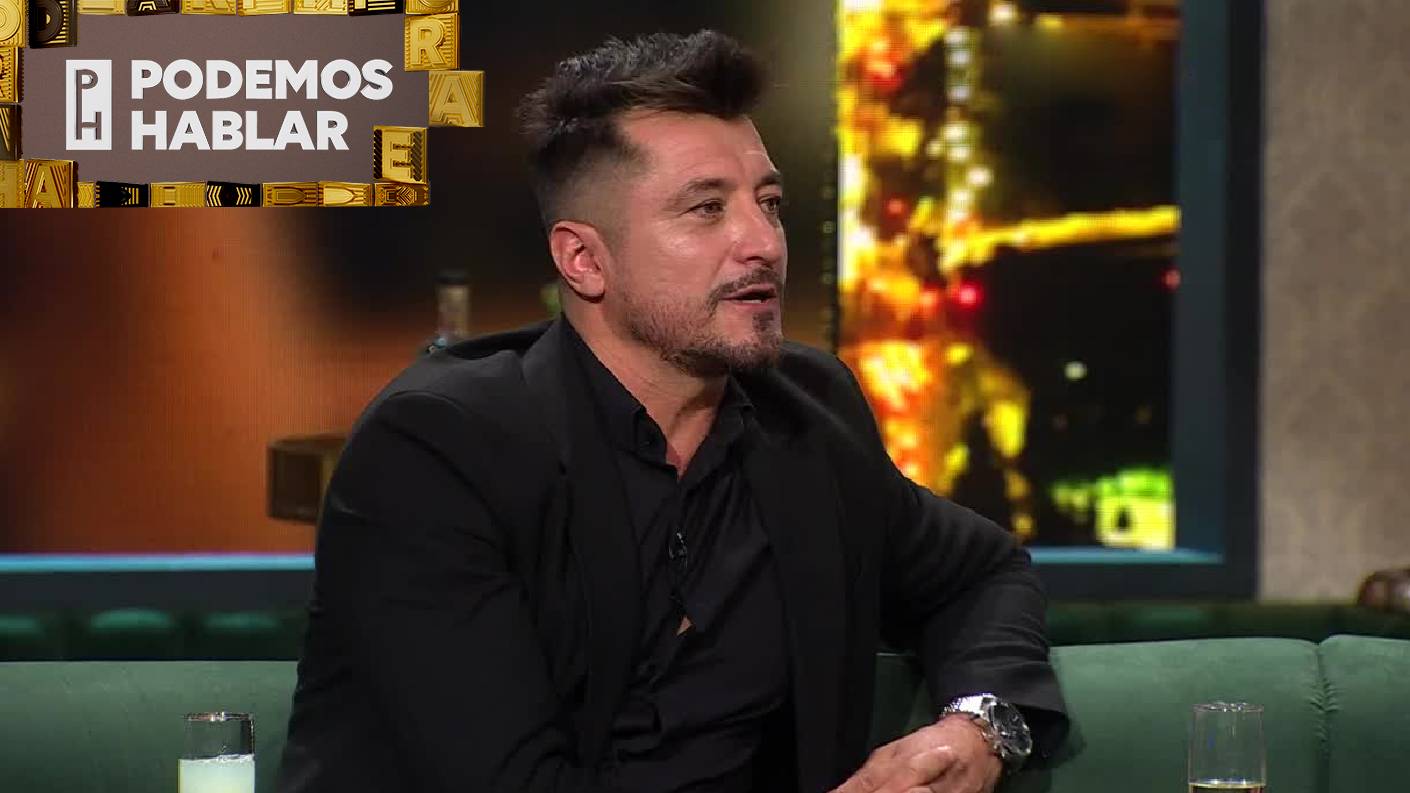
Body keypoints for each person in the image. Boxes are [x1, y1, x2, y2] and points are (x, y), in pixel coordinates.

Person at [278, 29, 1067, 793]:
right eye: (706, 209)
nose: (763, 243)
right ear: (583, 260)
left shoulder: (805, 415)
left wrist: (977, 727)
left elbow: (982, 573)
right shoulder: (439, 451)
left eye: (769, 202)